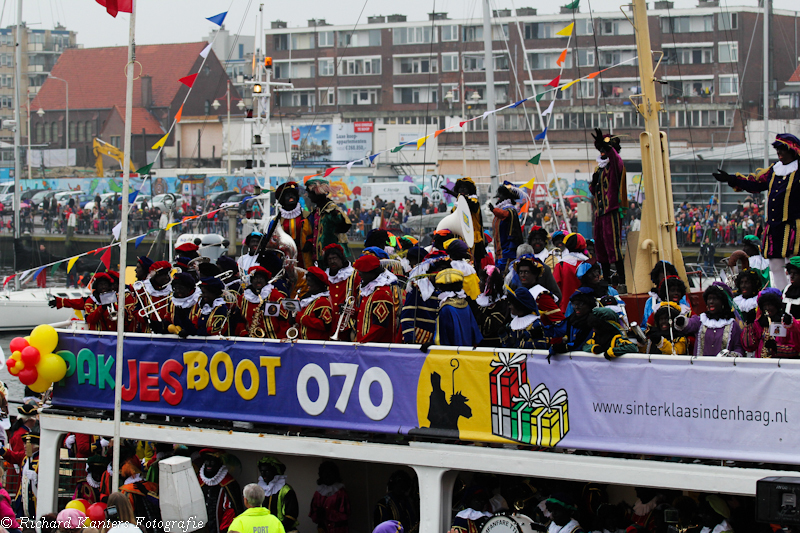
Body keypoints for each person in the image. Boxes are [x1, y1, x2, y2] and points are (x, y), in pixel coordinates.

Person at [713, 133, 800, 290]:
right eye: (777, 150)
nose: (779, 153)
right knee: (775, 266)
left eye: (782, 149)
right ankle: (781, 297)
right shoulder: (775, 170)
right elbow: (754, 183)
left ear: (792, 150)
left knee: (793, 266)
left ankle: (795, 298)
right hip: (774, 227)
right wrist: (731, 179)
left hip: (793, 227)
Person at [590, 128, 627, 286]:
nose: (603, 153)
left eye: (605, 150)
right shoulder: (599, 169)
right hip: (600, 213)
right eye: (601, 150)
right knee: (601, 247)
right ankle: (605, 278)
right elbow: (595, 191)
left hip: (611, 212)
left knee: (613, 247)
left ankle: (622, 279)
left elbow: (615, 157)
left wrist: (608, 146)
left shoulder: (615, 165)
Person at [353, 254, 401, 343]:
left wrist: (361, 343)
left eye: (363, 271)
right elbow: (366, 317)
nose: (360, 274)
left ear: (372, 272)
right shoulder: (370, 290)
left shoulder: (381, 294)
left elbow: (380, 326)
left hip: (374, 348)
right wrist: (351, 311)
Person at [307, 177, 352, 268]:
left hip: (331, 258)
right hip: (318, 257)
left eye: (310, 193)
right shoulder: (317, 210)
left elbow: (345, 226)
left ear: (318, 193)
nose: (308, 196)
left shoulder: (332, 209)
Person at [741, 288, 800, 358]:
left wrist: (776, 348)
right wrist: (749, 325)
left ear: (777, 305)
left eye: (770, 305)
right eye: (765, 305)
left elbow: (795, 350)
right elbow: (749, 346)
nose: (767, 308)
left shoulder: (786, 323)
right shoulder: (758, 323)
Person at [430, 269, 482, 348]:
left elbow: (442, 339)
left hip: (452, 355)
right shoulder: (465, 304)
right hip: (467, 352)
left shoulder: (446, 309)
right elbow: (475, 335)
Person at [234, 266, 289, 338]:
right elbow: (239, 320)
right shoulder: (243, 298)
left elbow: (284, 320)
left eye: (261, 278)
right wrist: (244, 333)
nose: (258, 281)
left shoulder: (275, 296)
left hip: (272, 340)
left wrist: (279, 339)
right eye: (255, 278)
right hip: (250, 340)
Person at [199, 449, 244, 533]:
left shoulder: (229, 484)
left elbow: (233, 510)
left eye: (212, 461)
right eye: (207, 461)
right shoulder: (199, 482)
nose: (208, 464)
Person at [441, 177, 485, 263]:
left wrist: (455, 194)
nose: (462, 189)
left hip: (473, 237)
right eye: (460, 187)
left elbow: (471, 206)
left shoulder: (473, 200)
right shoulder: (456, 203)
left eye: (465, 187)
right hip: (459, 237)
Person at [324, 244, 361, 337]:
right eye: (329, 259)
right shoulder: (325, 277)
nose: (332, 261)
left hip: (349, 324)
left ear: (341, 258)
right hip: (329, 323)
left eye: (335, 258)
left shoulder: (354, 275)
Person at [255, 457, 298, 532]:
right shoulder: (260, 489)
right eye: (261, 471)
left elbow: (291, 515)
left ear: (275, 471)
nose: (263, 474)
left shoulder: (286, 490)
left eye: (267, 471)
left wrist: (277, 529)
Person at [276, 181, 312, 269]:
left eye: (293, 194)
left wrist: (310, 242)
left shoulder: (308, 216)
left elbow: (316, 234)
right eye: (287, 195)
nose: (291, 196)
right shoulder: (276, 221)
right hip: (284, 262)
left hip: (305, 260)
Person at [490, 182, 524, 273]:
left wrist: (494, 210)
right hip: (499, 253)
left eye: (501, 195)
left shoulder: (510, 210)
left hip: (507, 252)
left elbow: (505, 215)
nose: (499, 197)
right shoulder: (501, 210)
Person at [551, 288, 597, 355]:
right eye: (574, 304)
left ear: (589, 305)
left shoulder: (594, 321)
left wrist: (566, 347)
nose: (576, 307)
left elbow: (581, 343)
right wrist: (540, 332)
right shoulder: (572, 319)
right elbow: (557, 330)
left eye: (580, 304)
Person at [471, 265, 509, 347]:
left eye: (481, 281)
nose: (479, 283)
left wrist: (476, 310)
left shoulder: (501, 303)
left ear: (488, 284)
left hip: (494, 346)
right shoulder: (478, 300)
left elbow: (492, 325)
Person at [309, 461, 350, 533]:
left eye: (329, 474)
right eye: (324, 474)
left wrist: (328, 513)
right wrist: (318, 515)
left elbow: (345, 514)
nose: (327, 477)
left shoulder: (340, 492)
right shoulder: (318, 493)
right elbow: (313, 513)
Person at [295, 267, 334, 340]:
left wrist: (301, 318)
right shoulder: (308, 299)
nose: (307, 284)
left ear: (317, 283)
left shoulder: (322, 302)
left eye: (310, 281)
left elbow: (326, 325)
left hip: (316, 344)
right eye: (307, 280)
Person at [553, 233, 588, 312]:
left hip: (566, 308)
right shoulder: (588, 264)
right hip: (586, 308)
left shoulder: (561, 265)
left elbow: (555, 287)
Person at [1, 402, 37, 466]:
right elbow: (19, 455)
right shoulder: (21, 434)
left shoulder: (22, 431)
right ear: (31, 420)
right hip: (17, 468)